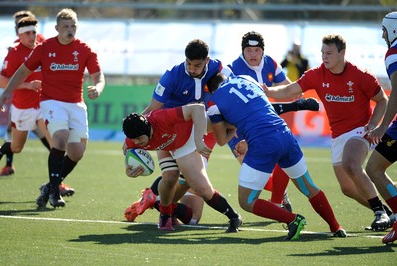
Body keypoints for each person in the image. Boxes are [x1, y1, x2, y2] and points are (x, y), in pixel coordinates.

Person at [124, 38, 318, 224]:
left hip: (205, 128)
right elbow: (152, 110)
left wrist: (244, 135)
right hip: (172, 131)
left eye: (197, 66)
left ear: (207, 61)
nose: (192, 69)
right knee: (176, 177)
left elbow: (246, 106)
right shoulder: (171, 76)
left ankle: (156, 200)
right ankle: (159, 201)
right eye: (189, 65)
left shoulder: (224, 70)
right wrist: (131, 136)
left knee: (192, 217)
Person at [264, 34, 391, 231]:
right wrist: (269, 91)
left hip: (360, 130)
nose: (324, 56)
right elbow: (290, 91)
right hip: (338, 135)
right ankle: (387, 213)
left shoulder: (361, 75)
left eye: (329, 53)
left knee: (351, 163)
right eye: (322, 52)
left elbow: (383, 100)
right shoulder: (316, 74)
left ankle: (379, 213)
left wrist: (374, 124)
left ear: (342, 53)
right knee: (347, 189)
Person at [206, 73, 346, 240]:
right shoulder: (246, 79)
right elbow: (264, 109)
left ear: (211, 90)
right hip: (285, 135)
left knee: (247, 201)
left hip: (263, 144)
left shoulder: (214, 102)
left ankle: (293, 219)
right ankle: (336, 226)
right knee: (308, 187)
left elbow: (221, 140)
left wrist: (232, 125)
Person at [0, 8, 105, 208]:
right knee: (60, 138)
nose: (70, 30)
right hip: (50, 102)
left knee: (77, 152)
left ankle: (48, 187)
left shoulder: (85, 49)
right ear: (57, 28)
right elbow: (23, 71)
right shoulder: (44, 48)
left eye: (73, 26)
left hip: (76, 104)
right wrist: (7, 92)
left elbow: (98, 75)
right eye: (65, 26)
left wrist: (98, 87)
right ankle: (55, 193)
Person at [227, 31, 319, 211]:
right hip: (241, 127)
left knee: (282, 159)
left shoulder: (270, 63)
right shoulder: (232, 69)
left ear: (262, 51)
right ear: (242, 51)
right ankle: (281, 195)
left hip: (266, 124)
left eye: (256, 50)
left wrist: (294, 93)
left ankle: (278, 198)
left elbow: (287, 86)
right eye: (248, 50)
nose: (253, 54)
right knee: (251, 170)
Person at [122, 103, 242, 232]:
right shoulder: (132, 141)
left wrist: (198, 140)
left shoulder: (161, 118)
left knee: (202, 190)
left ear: (146, 129)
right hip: (167, 145)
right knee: (169, 178)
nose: (137, 143)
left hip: (188, 138)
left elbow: (198, 108)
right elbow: (128, 154)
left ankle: (234, 217)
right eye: (133, 140)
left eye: (139, 138)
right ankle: (165, 216)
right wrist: (129, 169)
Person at [0, 16, 52, 177]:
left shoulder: (43, 48)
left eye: (33, 32)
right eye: (27, 33)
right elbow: (2, 82)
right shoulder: (14, 53)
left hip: (43, 105)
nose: (31, 36)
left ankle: (56, 186)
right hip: (23, 107)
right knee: (16, 147)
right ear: (19, 35)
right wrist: (27, 85)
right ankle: (1, 154)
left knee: (56, 146)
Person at [365, 12, 397, 244]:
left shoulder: (393, 53)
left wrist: (382, 125)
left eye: (385, 31)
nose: (383, 35)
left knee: (374, 168)